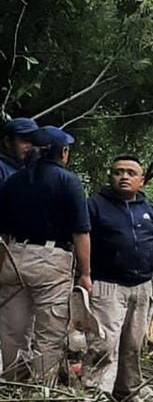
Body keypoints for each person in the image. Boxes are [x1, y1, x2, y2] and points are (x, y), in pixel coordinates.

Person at [84, 154, 153, 402]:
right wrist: (82, 277)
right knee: (104, 344)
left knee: (134, 345)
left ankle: (127, 394)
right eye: (118, 172)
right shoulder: (94, 206)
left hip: (142, 287)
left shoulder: (150, 212)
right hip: (106, 286)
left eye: (130, 173)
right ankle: (96, 399)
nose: (124, 176)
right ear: (111, 177)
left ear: (142, 180)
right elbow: (81, 243)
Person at [0, 126, 90, 383]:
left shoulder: (13, 181)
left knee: (11, 330)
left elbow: (2, 232)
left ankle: (10, 386)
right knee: (49, 332)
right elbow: (81, 233)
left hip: (14, 256)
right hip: (51, 261)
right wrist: (86, 273)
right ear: (62, 152)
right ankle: (40, 389)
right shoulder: (68, 181)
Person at [0, 117, 39, 185]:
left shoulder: (25, 166)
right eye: (25, 140)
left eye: (33, 141)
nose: (30, 146)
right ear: (7, 142)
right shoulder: (2, 170)